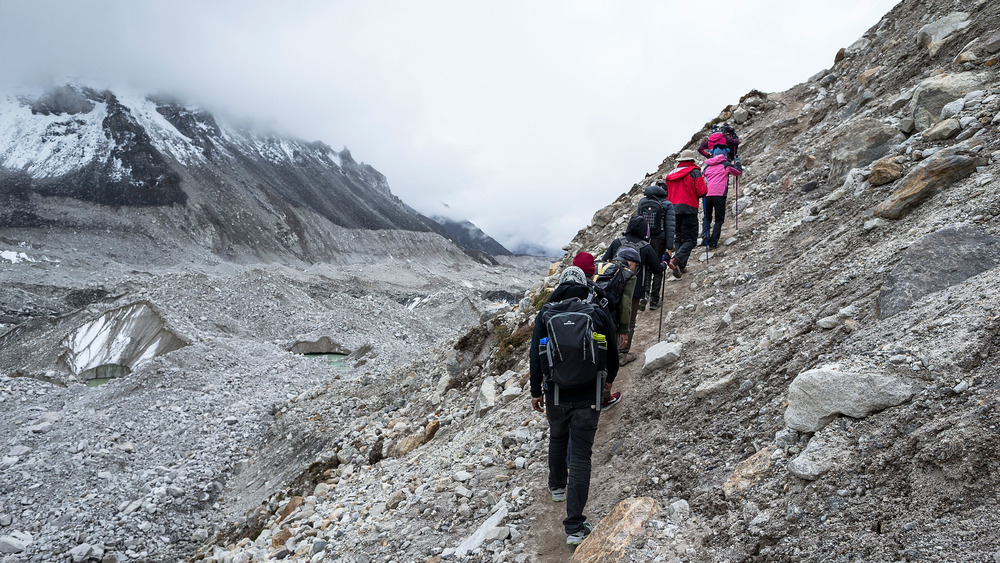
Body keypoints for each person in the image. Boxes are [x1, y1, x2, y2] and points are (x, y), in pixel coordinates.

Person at [529, 266, 619, 546]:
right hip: (588, 393)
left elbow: (535, 355)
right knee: (580, 455)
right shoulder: (595, 311)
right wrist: (608, 382)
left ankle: (557, 486)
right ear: (583, 285)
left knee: (557, 437)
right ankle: (575, 527)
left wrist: (535, 391)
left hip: (555, 392)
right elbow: (612, 351)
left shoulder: (546, 314)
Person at [602, 216, 668, 365]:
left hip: (612, 287)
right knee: (629, 321)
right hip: (635, 288)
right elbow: (657, 269)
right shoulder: (645, 246)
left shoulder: (617, 242)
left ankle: (607, 350)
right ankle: (622, 354)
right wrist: (664, 263)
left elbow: (605, 261)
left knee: (612, 318)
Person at [665, 149, 708, 277]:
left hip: (673, 209)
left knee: (679, 237)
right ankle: (677, 260)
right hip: (689, 208)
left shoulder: (671, 174)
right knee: (691, 239)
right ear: (692, 161)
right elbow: (702, 191)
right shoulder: (694, 172)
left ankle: (680, 266)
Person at [635, 183, 675, 311]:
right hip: (660, 239)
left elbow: (638, 221)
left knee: (645, 267)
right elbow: (670, 227)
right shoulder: (667, 204)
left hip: (644, 239)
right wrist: (670, 247)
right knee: (658, 267)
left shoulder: (642, 202)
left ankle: (644, 295)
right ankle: (654, 300)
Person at [702, 146, 744, 249]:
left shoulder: (707, 166)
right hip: (719, 194)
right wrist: (737, 162)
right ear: (725, 154)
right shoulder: (725, 165)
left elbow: (702, 178)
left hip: (706, 194)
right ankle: (713, 242)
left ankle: (705, 235)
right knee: (719, 219)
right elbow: (738, 172)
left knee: (707, 217)